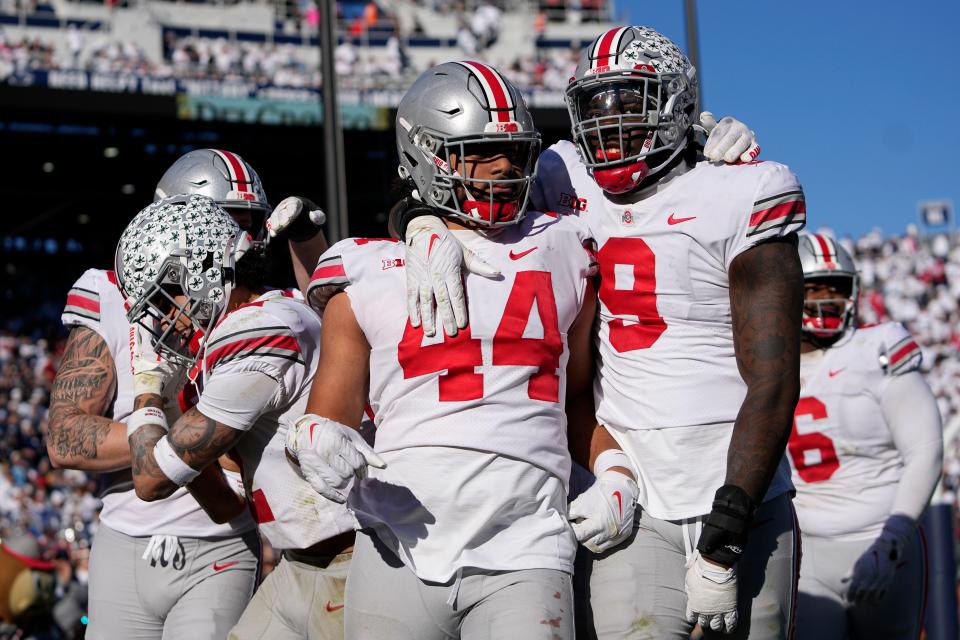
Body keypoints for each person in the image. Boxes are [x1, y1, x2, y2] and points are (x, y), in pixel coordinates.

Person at [391, 26, 807, 639]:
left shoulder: (742, 188)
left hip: (742, 487)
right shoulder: (563, 174)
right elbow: (462, 186)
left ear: (674, 105)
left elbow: (774, 379)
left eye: (630, 104)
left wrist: (730, 523)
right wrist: (416, 218)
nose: (609, 126)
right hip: (633, 492)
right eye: (594, 106)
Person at [289, 61, 603, 640]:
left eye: (511, 150)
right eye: (481, 151)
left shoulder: (562, 243)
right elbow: (326, 416)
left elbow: (578, 394)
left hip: (526, 543)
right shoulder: (363, 266)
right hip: (395, 542)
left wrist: (613, 471)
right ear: (425, 154)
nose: (505, 166)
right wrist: (314, 441)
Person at [47, 148, 328, 640]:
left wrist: (165, 431)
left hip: (220, 541)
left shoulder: (255, 314)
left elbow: (334, 335)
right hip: (124, 538)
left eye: (249, 227)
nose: (238, 245)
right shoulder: (111, 292)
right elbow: (65, 435)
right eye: (219, 224)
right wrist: (181, 442)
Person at [116, 194, 354, 640]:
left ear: (203, 271)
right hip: (300, 565)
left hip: (350, 563)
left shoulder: (259, 331)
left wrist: (147, 390)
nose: (168, 318)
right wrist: (171, 404)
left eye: (169, 298)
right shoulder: (255, 323)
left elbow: (150, 481)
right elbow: (226, 504)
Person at [790, 233, 942, 639]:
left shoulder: (877, 347)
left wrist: (891, 541)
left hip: (882, 538)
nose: (826, 299)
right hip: (804, 550)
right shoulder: (765, 362)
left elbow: (925, 450)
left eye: (836, 288)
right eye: (813, 288)